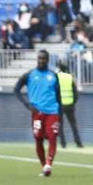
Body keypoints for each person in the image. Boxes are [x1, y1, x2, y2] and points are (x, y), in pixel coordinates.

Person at [14, 49, 63, 177]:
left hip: (52, 111)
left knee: (52, 137)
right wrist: (27, 104)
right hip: (37, 112)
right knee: (38, 138)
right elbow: (16, 89)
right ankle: (43, 165)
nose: (42, 61)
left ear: (48, 60)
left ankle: (48, 164)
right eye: (40, 58)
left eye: (44, 59)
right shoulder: (29, 75)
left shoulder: (53, 75)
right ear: (37, 59)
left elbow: (59, 96)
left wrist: (60, 114)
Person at [56, 59, 83, 148]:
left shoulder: (56, 77)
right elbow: (75, 92)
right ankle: (78, 143)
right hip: (70, 104)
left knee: (60, 125)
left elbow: (54, 90)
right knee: (73, 124)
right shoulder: (70, 77)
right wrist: (73, 101)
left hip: (60, 105)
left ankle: (63, 143)